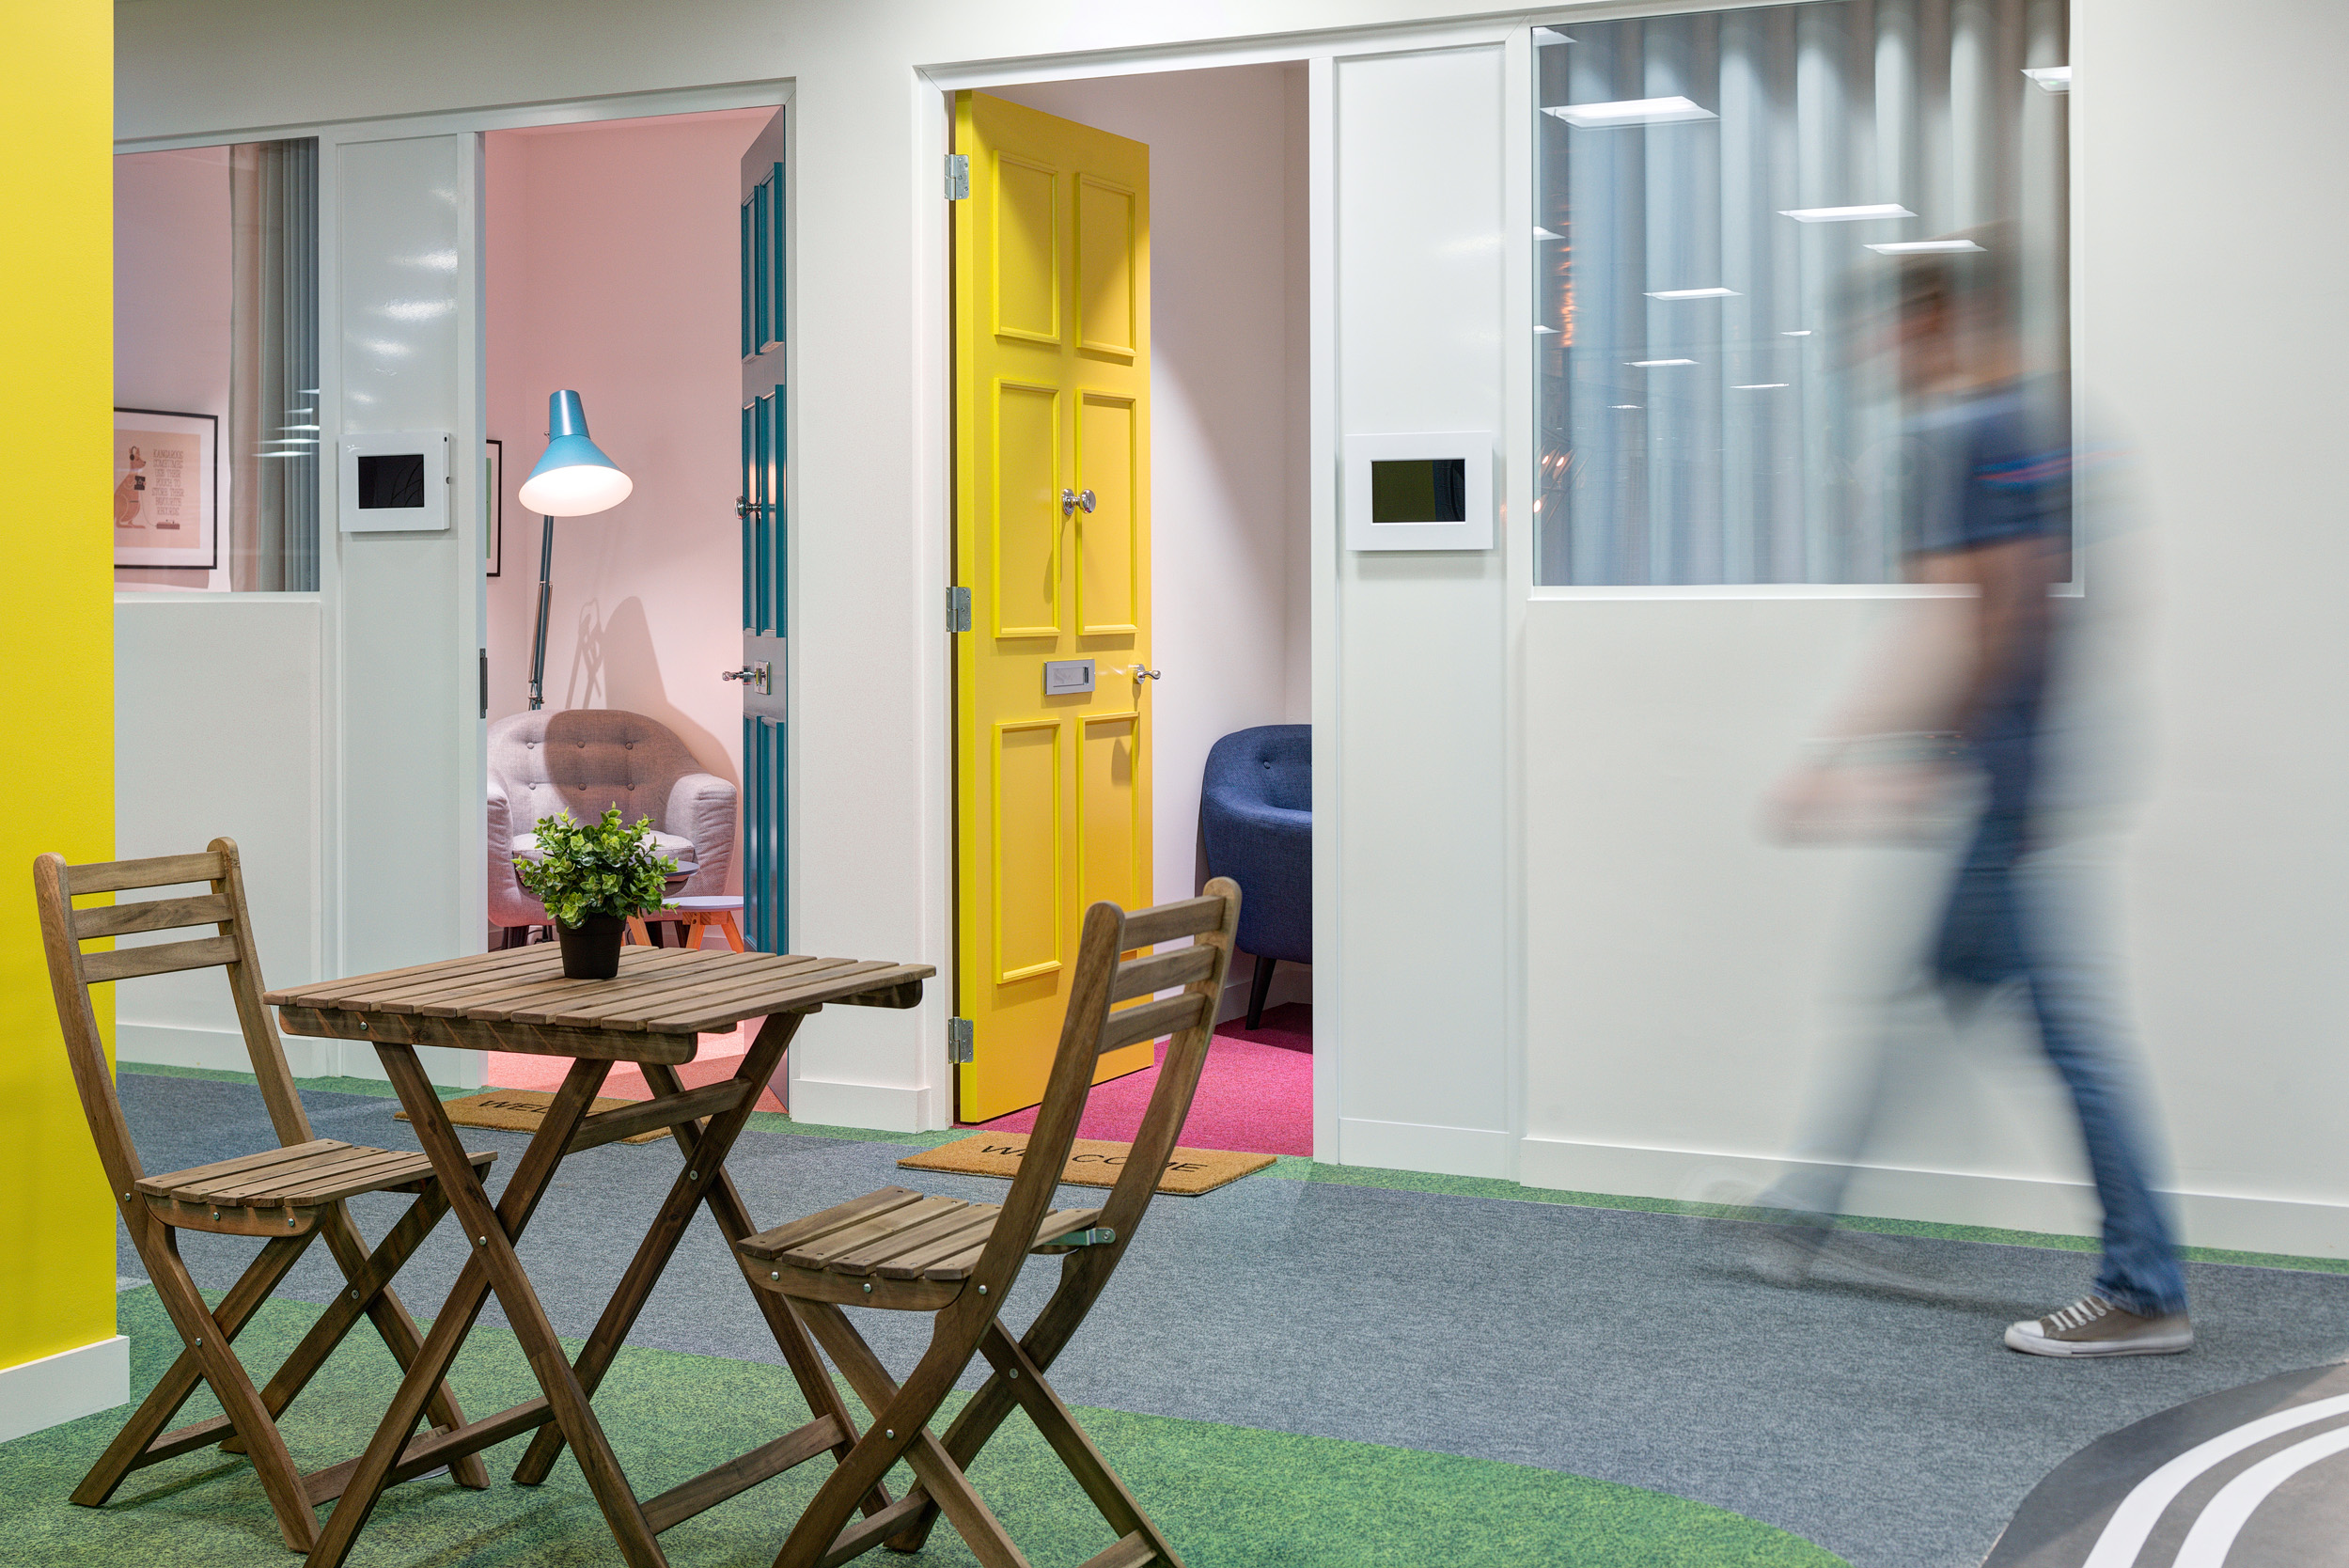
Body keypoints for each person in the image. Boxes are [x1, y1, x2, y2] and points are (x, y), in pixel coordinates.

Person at [1762, 225, 2191, 1357]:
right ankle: (1809, 1209)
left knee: (2061, 1031)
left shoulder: (1958, 428)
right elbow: (2055, 602)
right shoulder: (2038, 424)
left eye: (1889, 326)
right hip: (2027, 771)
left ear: (1938, 319)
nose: (1877, 350)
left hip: (2007, 786)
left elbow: (1971, 616)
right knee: (1934, 988)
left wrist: (1841, 754)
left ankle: (2145, 1285)